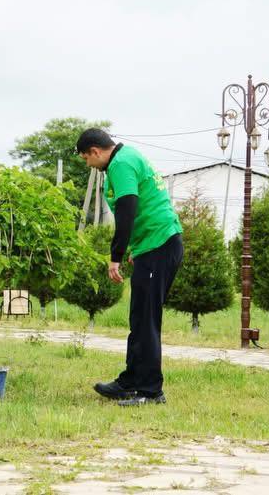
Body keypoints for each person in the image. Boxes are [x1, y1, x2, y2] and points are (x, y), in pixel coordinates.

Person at [77, 128, 183, 407]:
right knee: (139, 317)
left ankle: (150, 391)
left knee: (146, 319)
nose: (88, 164)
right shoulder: (127, 157)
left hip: (160, 245)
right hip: (154, 245)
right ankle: (130, 382)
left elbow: (127, 211)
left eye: (86, 159)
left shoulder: (121, 164)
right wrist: (138, 248)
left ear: (95, 151)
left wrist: (116, 256)